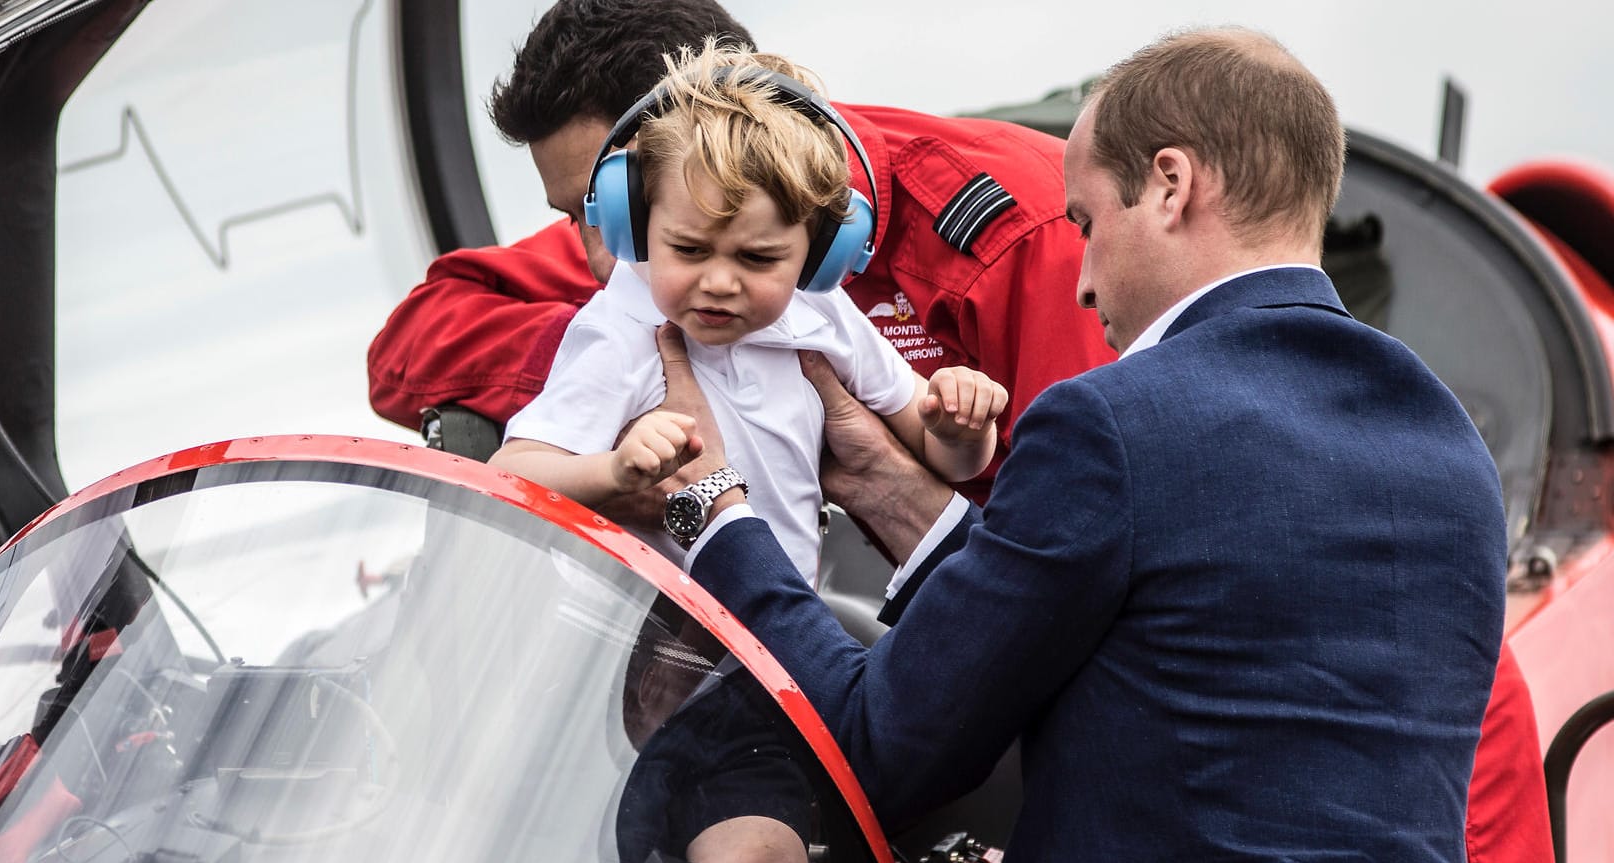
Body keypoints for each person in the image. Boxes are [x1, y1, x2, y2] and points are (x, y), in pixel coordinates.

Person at [657, 28, 1573, 863]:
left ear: (1172, 185)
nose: (1084, 282)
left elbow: (885, 736)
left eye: (1087, 222)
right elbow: (1242, 757)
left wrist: (715, 514)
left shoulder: (1113, 423)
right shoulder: (1447, 448)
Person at [367, 0, 1114, 510]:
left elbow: (1078, 533)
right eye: (585, 218)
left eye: (602, 210)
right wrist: (628, 368)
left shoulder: (1029, 232)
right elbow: (411, 344)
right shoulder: (648, 256)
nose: (601, 259)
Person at [490, 43, 1005, 584]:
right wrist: (613, 473)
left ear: (825, 254)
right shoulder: (621, 333)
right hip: (647, 638)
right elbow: (511, 477)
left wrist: (962, 429)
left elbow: (947, 457)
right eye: (688, 250)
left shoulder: (820, 312)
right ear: (634, 225)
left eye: (757, 258)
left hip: (777, 632)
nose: (718, 283)